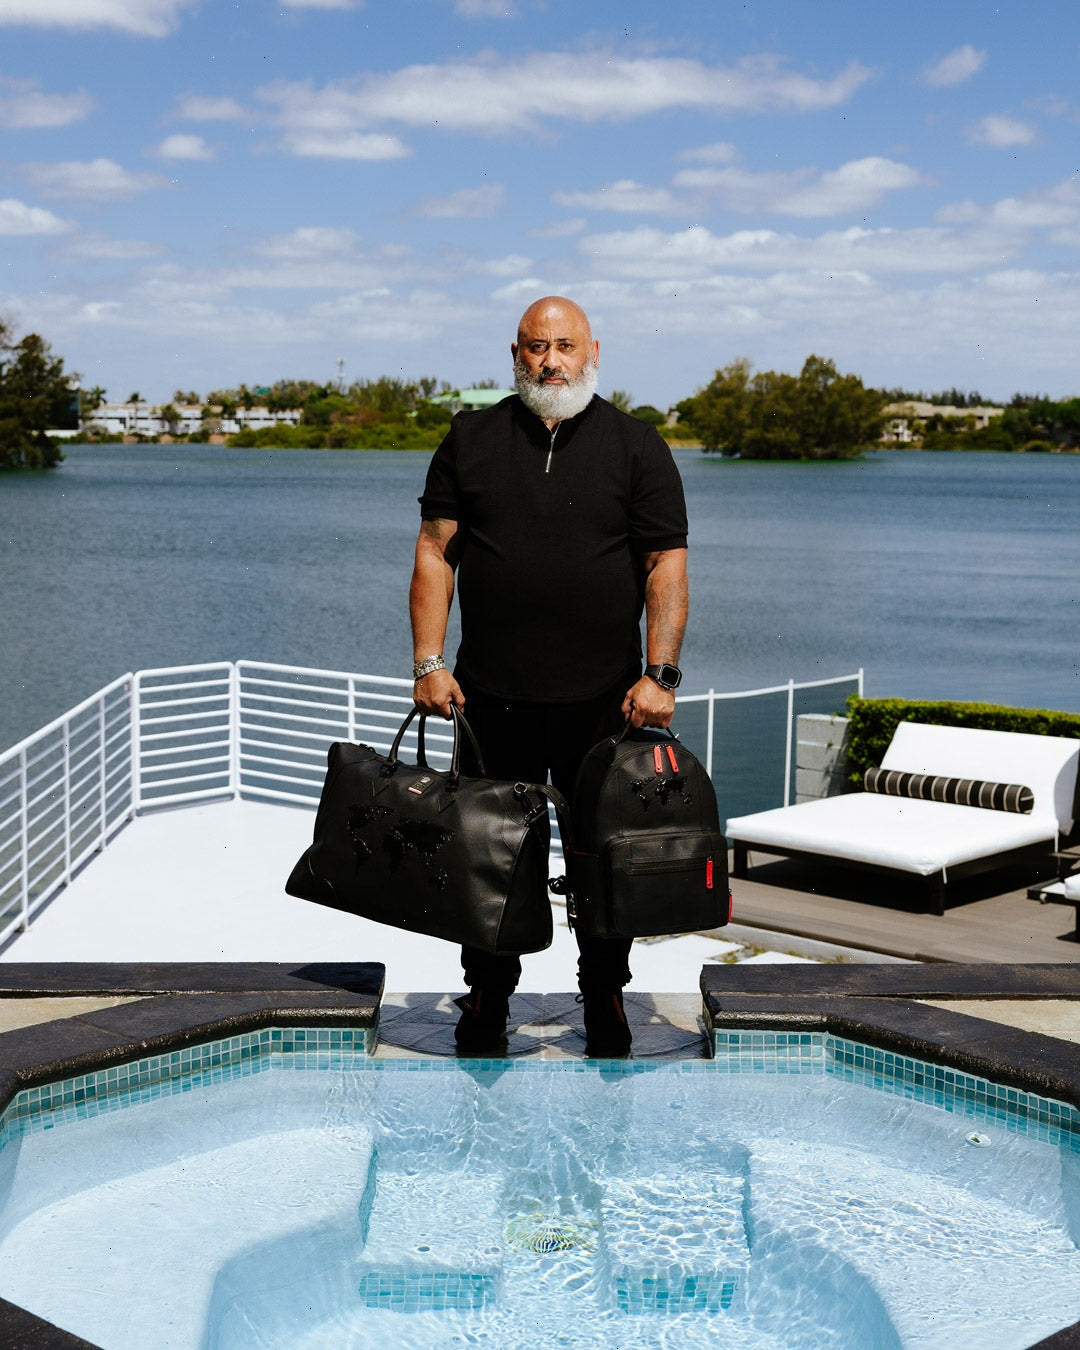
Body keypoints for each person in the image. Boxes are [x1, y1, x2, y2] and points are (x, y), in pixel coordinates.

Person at [409, 295, 688, 1056]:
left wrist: (661, 675)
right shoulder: (470, 438)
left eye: (565, 346)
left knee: (606, 866)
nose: (551, 361)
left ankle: (606, 1000)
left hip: (607, 707)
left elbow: (665, 563)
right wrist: (429, 662)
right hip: (488, 701)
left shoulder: (638, 446)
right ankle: (486, 1000)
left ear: (593, 351)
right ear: (515, 354)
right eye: (537, 346)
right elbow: (435, 550)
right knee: (489, 861)